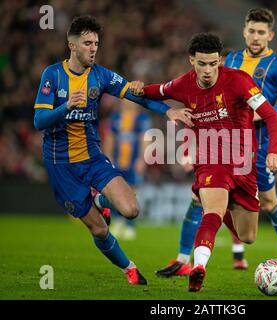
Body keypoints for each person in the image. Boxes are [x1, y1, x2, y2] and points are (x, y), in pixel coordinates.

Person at [33, 15, 192, 285]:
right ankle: (128, 268)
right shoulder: (53, 75)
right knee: (99, 228)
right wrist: (66, 107)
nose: (93, 48)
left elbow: (134, 95)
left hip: (92, 156)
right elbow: (39, 121)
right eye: (87, 43)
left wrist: (168, 110)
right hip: (61, 165)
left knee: (131, 209)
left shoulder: (101, 75)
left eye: (96, 42)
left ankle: (100, 200)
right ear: (72, 46)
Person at [155, 8, 277, 279]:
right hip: (222, 143)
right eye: (252, 31)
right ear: (244, 31)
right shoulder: (230, 60)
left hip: (257, 144)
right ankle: (183, 259)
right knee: (198, 197)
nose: (256, 37)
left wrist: (263, 111)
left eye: (262, 32)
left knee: (269, 202)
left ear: (270, 35)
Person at [131, 32, 277, 292]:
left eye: (213, 63)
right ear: (192, 60)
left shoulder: (239, 81)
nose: (208, 70)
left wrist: (274, 151)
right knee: (211, 212)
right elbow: (153, 92)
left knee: (248, 237)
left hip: (244, 164)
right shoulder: (182, 84)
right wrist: (137, 89)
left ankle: (220, 207)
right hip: (212, 160)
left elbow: (271, 116)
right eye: (202, 63)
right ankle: (198, 266)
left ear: (220, 61)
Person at [93, 100, 151, 240]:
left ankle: (130, 226)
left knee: (132, 192)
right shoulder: (116, 117)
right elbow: (110, 138)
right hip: (117, 161)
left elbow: (145, 139)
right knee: (115, 191)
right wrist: (108, 157)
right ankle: (118, 222)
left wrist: (142, 159)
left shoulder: (142, 118)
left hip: (133, 162)